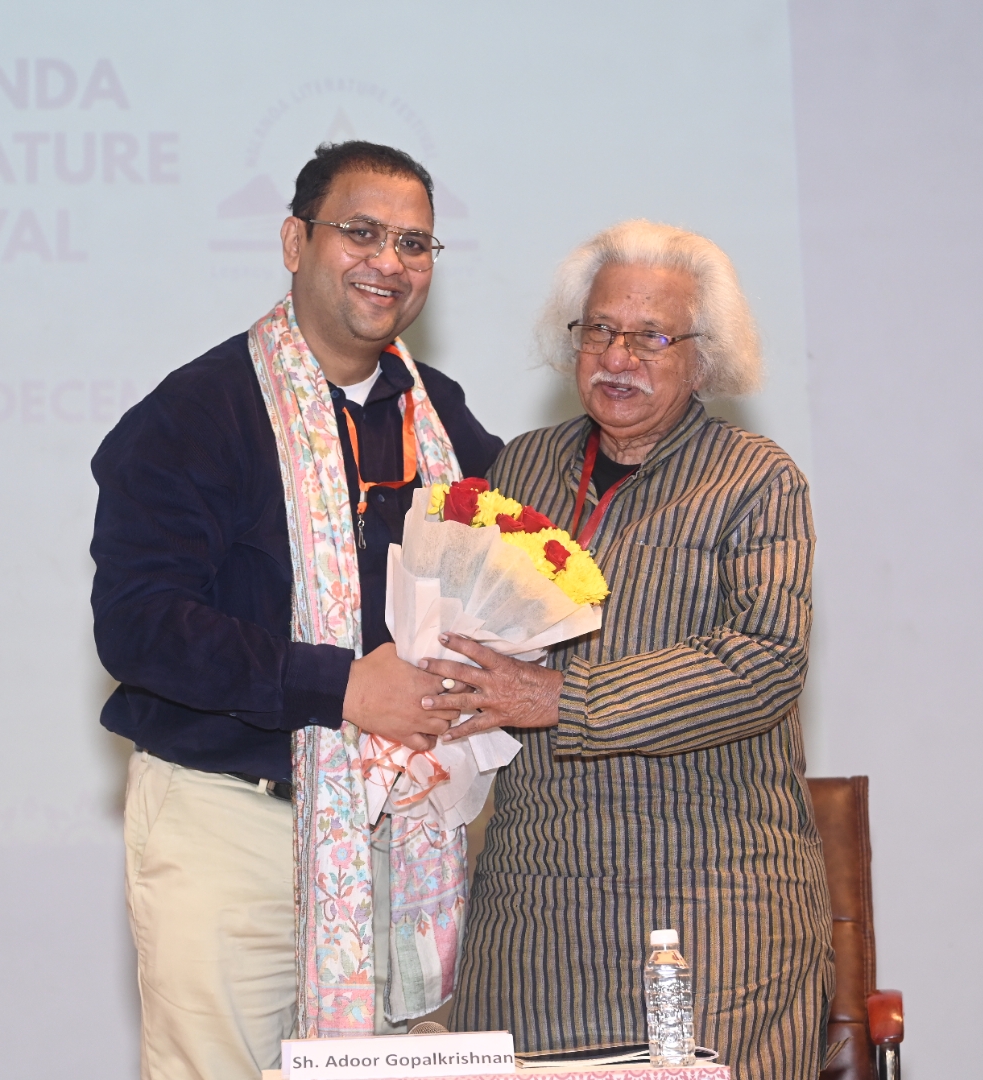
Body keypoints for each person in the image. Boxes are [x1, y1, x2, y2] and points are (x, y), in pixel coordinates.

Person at [90, 141, 504, 1080]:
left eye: (416, 243)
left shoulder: (443, 421)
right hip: (232, 827)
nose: (388, 262)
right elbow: (139, 624)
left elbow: (516, 574)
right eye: (360, 232)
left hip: (404, 833)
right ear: (293, 240)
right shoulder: (197, 412)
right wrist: (341, 687)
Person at [426, 220, 833, 1079]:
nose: (620, 355)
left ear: (705, 357)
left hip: (708, 911)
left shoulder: (756, 478)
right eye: (600, 330)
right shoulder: (521, 472)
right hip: (532, 917)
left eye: (653, 336)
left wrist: (561, 700)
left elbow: (763, 661)